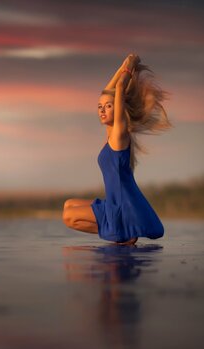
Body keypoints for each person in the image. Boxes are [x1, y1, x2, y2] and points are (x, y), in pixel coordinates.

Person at [62, 54, 172, 245]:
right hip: (114, 201)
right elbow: (109, 91)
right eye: (99, 107)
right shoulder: (110, 133)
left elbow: (119, 89)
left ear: (119, 110)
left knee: (68, 217)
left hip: (121, 205)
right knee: (68, 204)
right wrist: (122, 68)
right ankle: (118, 229)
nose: (102, 110)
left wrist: (129, 66)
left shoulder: (119, 134)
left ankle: (120, 231)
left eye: (108, 106)